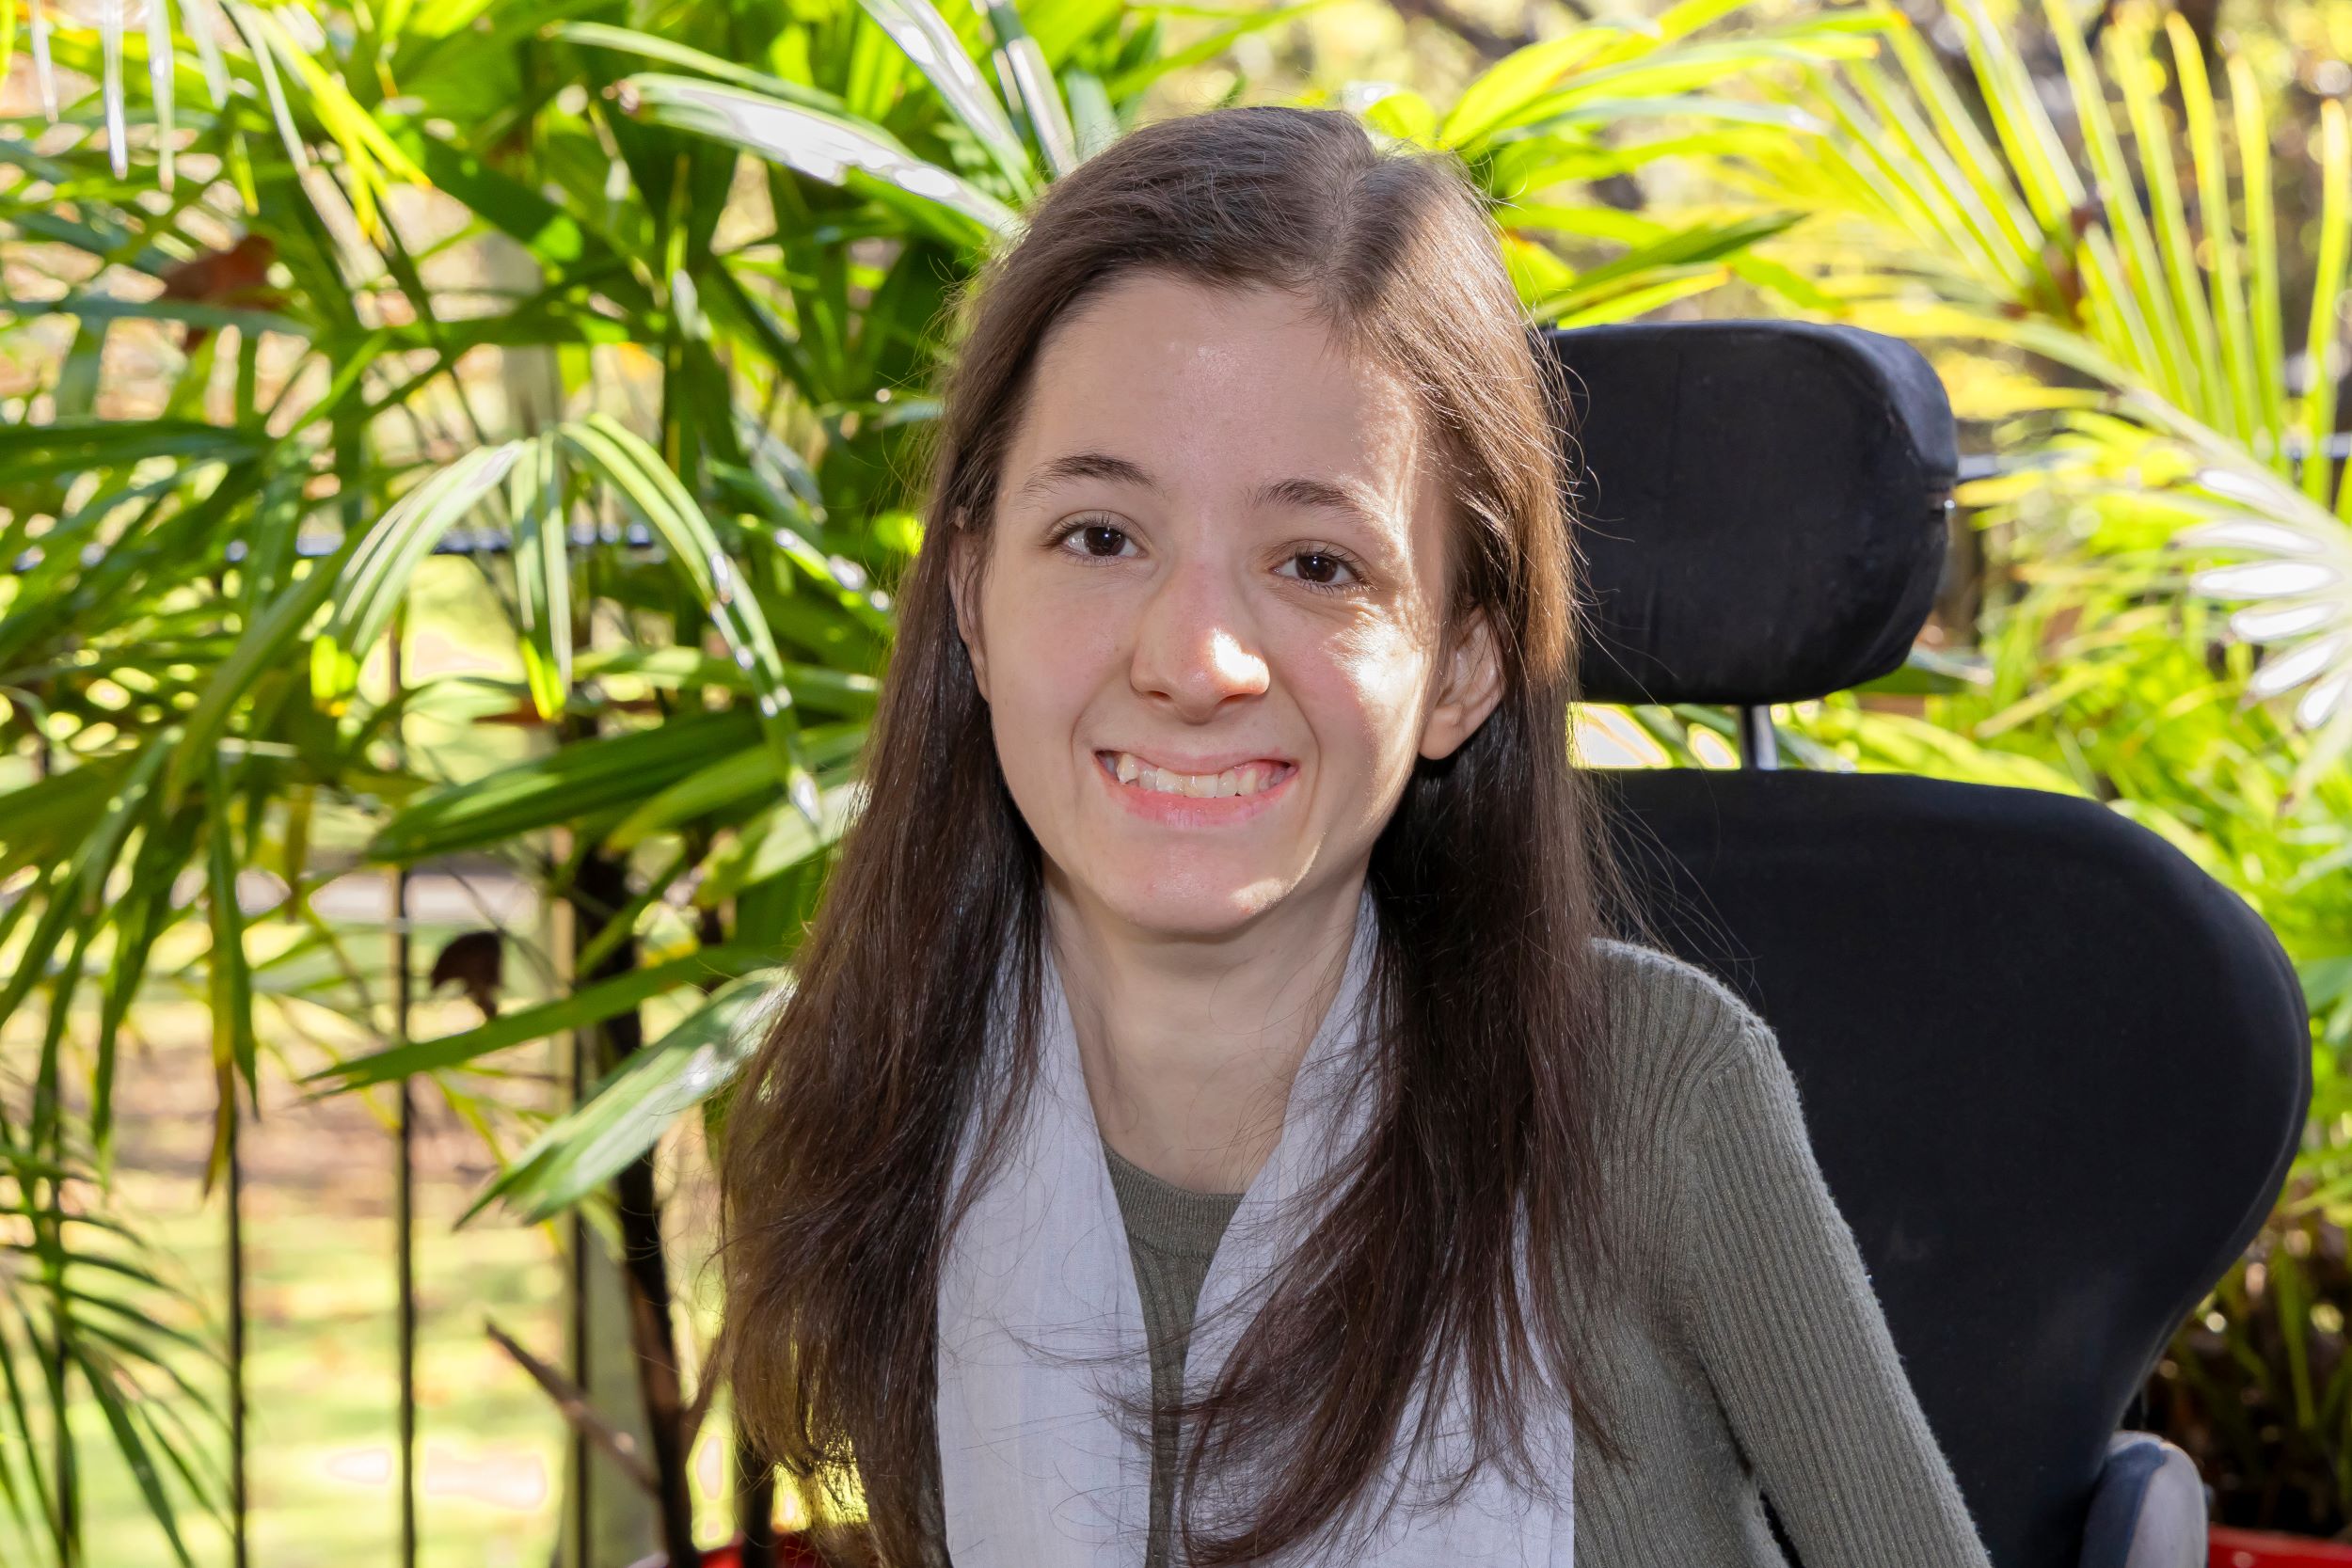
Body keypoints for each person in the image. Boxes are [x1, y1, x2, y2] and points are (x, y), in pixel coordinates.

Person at [714, 103, 1995, 1568]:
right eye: (1099, 536)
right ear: (971, 601)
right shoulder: (877, 1108)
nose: (1195, 659)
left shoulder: (1653, 1100)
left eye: (1317, 563)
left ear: (1461, 662)